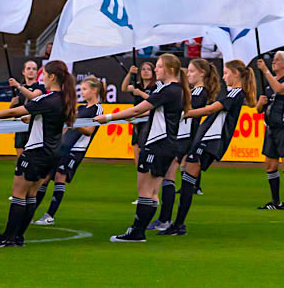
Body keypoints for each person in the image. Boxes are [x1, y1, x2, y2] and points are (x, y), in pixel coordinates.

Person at [0, 60, 73, 247]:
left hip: (35, 152)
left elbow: (16, 110)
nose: (41, 78)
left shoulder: (47, 99)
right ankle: (18, 237)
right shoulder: (64, 100)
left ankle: (8, 237)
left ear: (52, 77)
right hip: (51, 155)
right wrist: (32, 117)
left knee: (18, 195)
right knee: (31, 195)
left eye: (44, 75)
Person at [94, 53, 189, 243]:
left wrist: (108, 118)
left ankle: (137, 232)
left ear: (170, 70)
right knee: (152, 192)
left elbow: (139, 108)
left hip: (157, 144)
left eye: (159, 66)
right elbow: (147, 110)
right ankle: (138, 230)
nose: (156, 70)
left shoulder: (168, 89)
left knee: (145, 190)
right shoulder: (175, 90)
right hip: (167, 144)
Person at [161, 59, 246, 236]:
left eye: (227, 73)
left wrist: (186, 113)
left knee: (187, 181)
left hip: (210, 140)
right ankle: (177, 223)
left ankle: (178, 224)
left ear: (236, 74)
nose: (224, 76)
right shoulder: (232, 92)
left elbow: (210, 110)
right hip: (206, 138)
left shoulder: (235, 93)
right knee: (187, 181)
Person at [152, 59, 220, 232]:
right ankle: (166, 219)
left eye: (191, 71)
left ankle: (166, 219)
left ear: (202, 74)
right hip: (182, 137)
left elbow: (186, 112)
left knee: (169, 176)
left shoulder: (199, 92)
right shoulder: (193, 91)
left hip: (184, 138)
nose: (188, 74)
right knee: (169, 177)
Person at [37, 77, 103, 226]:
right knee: (45, 178)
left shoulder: (97, 109)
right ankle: (30, 211)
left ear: (94, 90)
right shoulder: (80, 108)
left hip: (75, 150)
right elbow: (66, 128)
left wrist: (74, 123)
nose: (82, 92)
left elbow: (89, 131)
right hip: (62, 147)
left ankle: (50, 215)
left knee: (60, 176)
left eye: (85, 89)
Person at [255, 52, 284, 210]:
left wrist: (265, 71)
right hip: (271, 127)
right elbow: (259, 110)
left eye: (278, 60)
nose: (274, 62)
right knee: (270, 164)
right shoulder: (270, 85)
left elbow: (281, 89)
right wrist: (260, 104)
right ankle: (275, 201)